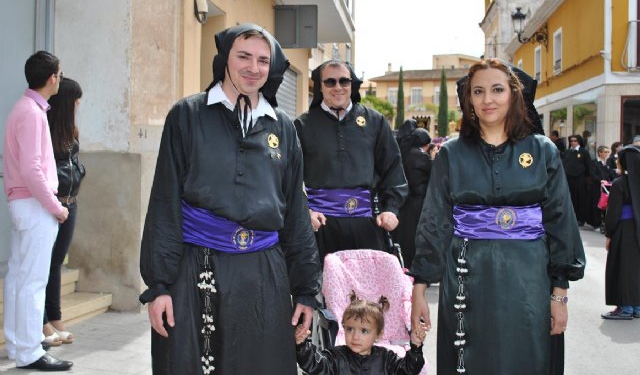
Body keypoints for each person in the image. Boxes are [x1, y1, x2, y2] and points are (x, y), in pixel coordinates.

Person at [139, 23, 321, 375]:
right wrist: (159, 286)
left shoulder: (282, 127)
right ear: (225, 58)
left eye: (263, 60)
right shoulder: (187, 116)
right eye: (244, 57)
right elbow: (165, 201)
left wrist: (305, 291)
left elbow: (296, 213)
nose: (254, 68)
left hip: (264, 273)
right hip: (198, 269)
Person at [409, 59, 586, 375]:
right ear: (469, 99)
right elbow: (434, 221)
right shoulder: (451, 154)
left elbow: (561, 221)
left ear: (514, 95)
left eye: (497, 89)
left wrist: (559, 295)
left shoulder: (543, 150)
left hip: (531, 280)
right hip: (467, 279)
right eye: (478, 91)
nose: (487, 99)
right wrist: (420, 287)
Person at [294, 60, 408, 260]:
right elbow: (289, 179)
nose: (338, 87)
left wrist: (391, 209)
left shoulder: (375, 122)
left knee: (366, 292)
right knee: (317, 290)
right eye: (330, 82)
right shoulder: (301, 126)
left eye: (344, 81)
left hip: (366, 229)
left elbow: (393, 170)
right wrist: (306, 212)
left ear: (352, 85)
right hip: (319, 229)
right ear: (320, 86)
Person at [3, 51, 73, 371]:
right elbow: (33, 170)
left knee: (19, 279)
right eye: (59, 73)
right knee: (30, 281)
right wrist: (56, 208)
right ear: (52, 78)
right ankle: (30, 350)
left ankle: (21, 348)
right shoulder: (31, 112)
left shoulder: (26, 108)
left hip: (23, 203)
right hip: (33, 206)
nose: (60, 78)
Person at [42, 77, 86, 346]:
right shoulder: (46, 128)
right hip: (53, 204)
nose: (79, 103)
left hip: (72, 202)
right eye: (76, 98)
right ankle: (43, 322)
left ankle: (55, 318)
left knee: (56, 263)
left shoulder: (71, 131)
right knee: (43, 265)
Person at [295, 292, 426, 374]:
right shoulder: (335, 357)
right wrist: (302, 346)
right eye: (350, 329)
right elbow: (314, 366)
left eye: (364, 331)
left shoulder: (387, 359)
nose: (355, 336)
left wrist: (415, 347)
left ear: (378, 334)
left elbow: (409, 370)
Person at [601, 145, 640, 320]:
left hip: (623, 230)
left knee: (623, 267)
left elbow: (613, 213)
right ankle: (637, 306)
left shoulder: (619, 183)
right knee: (636, 268)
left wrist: (609, 233)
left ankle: (625, 308)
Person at [395, 126, 432, 269]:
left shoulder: (403, 153)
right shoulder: (421, 156)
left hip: (405, 202)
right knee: (416, 235)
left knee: (405, 234)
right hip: (419, 201)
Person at [563, 134, 592, 227]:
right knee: (571, 199)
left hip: (580, 179)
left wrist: (587, 178)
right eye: (571, 141)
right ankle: (571, 217)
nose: (573, 143)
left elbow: (589, 166)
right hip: (569, 179)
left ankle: (581, 218)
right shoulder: (567, 152)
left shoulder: (584, 152)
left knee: (581, 199)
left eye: (575, 141)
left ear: (579, 142)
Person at [586, 145, 616, 230]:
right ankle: (596, 224)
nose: (607, 154)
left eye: (608, 152)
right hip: (596, 187)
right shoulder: (594, 162)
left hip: (607, 187)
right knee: (597, 204)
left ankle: (604, 222)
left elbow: (611, 174)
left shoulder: (607, 163)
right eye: (605, 152)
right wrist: (600, 180)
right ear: (600, 153)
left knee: (605, 205)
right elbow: (592, 174)